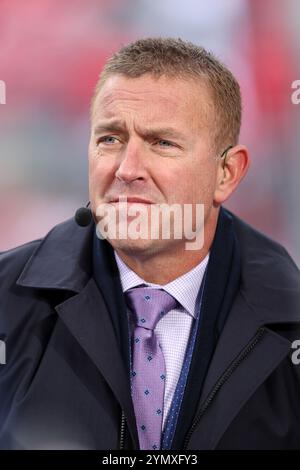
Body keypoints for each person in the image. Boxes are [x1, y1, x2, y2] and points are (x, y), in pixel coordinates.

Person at [0, 37, 299, 451]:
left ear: (227, 173)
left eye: (162, 143)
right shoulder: (6, 301)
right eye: (110, 138)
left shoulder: (291, 314)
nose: (127, 169)